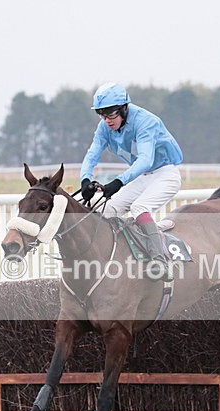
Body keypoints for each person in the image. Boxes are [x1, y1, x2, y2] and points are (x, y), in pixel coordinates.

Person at [79, 82, 184, 281]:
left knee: (139, 207)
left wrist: (118, 182)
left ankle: (159, 260)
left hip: (165, 174)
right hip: (143, 177)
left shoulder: (145, 121)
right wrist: (85, 180)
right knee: (106, 209)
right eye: (102, 114)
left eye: (111, 114)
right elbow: (91, 155)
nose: (107, 121)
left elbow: (145, 160)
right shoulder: (104, 127)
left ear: (124, 108)